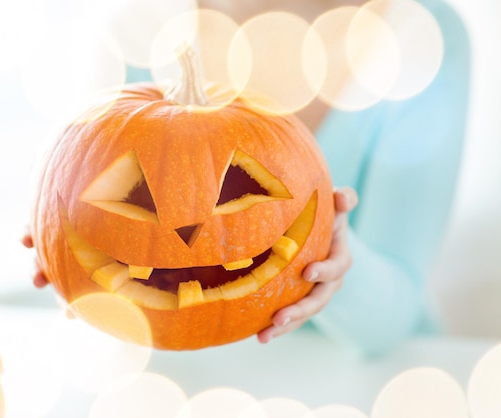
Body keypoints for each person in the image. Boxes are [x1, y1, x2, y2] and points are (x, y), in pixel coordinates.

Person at [24, 0, 470, 357]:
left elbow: (388, 324)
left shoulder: (421, 35)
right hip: (174, 385)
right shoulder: (140, 26)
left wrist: (332, 263)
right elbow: (91, 226)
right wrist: (64, 243)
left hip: (365, 379)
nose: (189, 229)